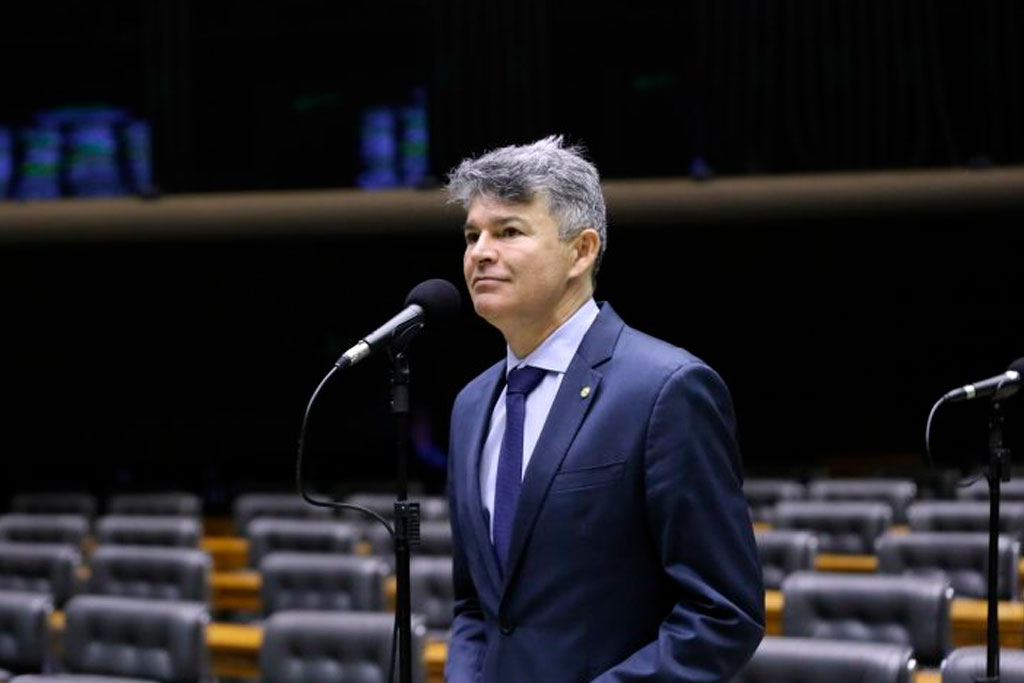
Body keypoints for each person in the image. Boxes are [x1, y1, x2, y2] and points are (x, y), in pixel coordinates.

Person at [444, 136, 764, 683]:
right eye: (473, 235)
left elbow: (723, 613)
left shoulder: (666, 388)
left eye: (509, 232)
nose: (480, 252)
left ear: (582, 250)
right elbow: (476, 605)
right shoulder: (472, 404)